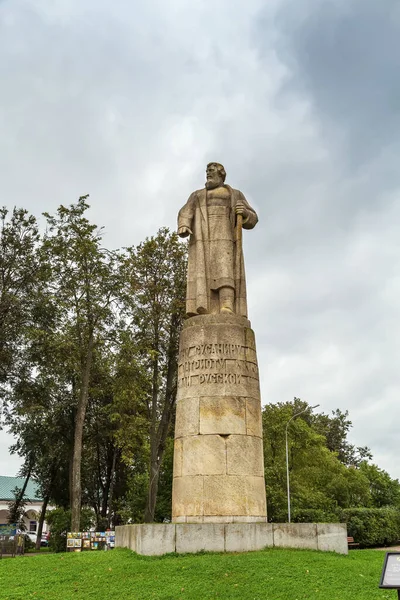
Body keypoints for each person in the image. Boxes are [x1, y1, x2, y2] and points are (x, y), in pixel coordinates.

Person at [178, 162, 258, 317]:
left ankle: (226, 306)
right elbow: (186, 210)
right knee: (202, 273)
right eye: (207, 171)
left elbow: (253, 218)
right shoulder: (197, 195)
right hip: (203, 238)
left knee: (225, 269)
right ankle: (202, 307)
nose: (208, 173)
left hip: (225, 236)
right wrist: (184, 224)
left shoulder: (235, 194)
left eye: (212, 171)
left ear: (221, 174)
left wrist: (245, 213)